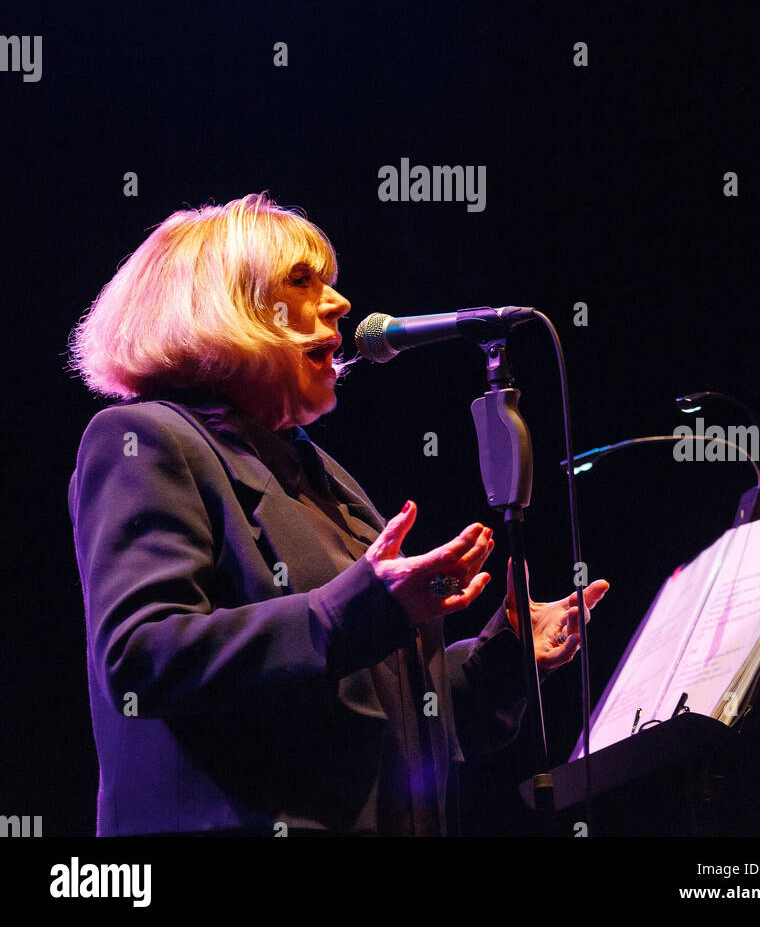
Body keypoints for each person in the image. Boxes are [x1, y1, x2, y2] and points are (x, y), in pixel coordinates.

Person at [67, 192, 609, 836]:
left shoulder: (320, 476)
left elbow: (388, 711)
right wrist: (356, 609)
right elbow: (141, 655)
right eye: (302, 281)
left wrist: (507, 654)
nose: (341, 303)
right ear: (224, 307)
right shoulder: (144, 439)